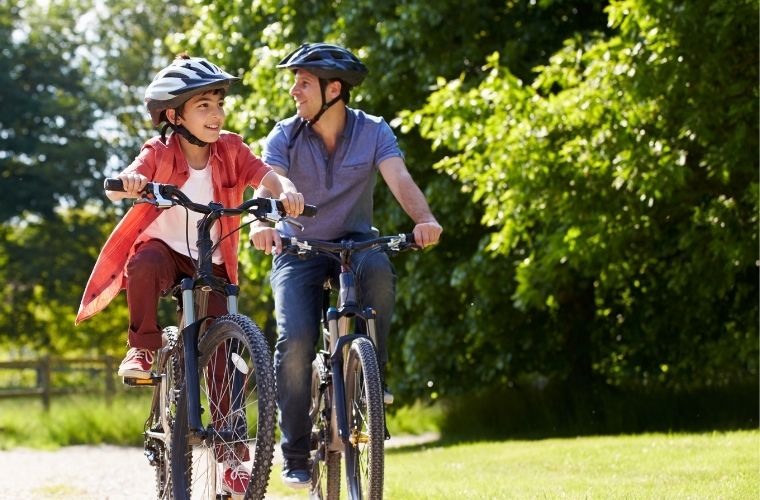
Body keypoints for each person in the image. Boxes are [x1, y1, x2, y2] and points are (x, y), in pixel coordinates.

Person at [75, 54, 304, 495]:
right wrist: (131, 182)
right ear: (174, 115)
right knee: (141, 266)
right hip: (165, 251)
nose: (216, 114)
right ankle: (142, 348)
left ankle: (231, 453)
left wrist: (287, 191)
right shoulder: (160, 151)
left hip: (210, 257)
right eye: (204, 105)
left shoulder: (231, 148)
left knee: (224, 350)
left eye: (219, 103)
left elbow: (264, 175)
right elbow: (136, 169)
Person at [249, 42, 443, 488]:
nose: (294, 91)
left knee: (378, 270)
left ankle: (371, 376)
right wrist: (263, 221)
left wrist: (425, 220)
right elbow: (270, 183)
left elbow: (399, 178)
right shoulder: (284, 134)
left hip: (354, 243)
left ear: (333, 89)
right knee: (295, 339)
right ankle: (295, 449)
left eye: (303, 83)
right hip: (299, 247)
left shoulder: (373, 131)